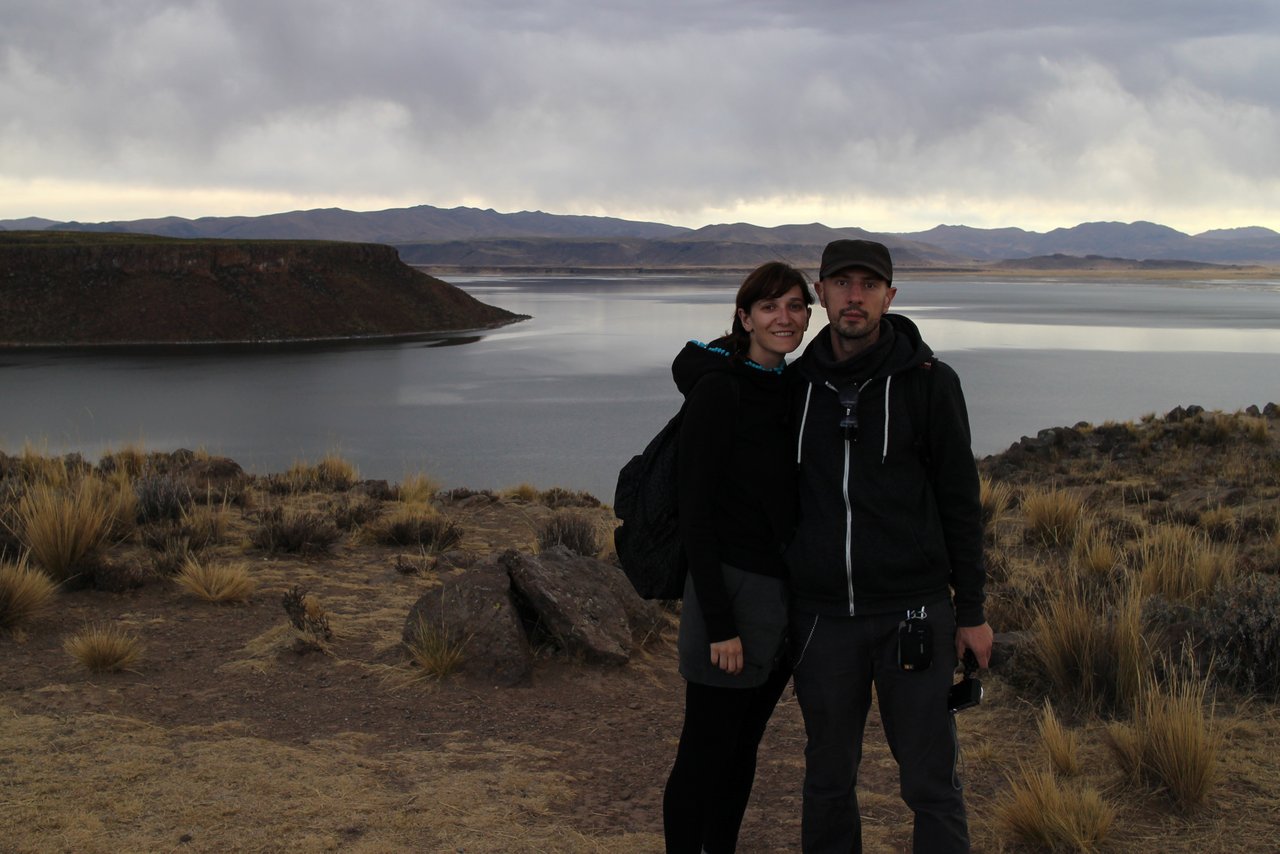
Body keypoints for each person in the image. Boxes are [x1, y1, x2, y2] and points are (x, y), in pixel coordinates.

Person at [785, 239, 994, 853]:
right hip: (823, 618)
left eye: (869, 285)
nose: (855, 296)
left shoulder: (929, 384)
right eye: (842, 284)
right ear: (820, 294)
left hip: (915, 614)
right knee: (826, 778)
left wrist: (973, 612)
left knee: (931, 781)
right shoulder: (792, 387)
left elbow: (961, 502)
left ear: (890, 297)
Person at [662, 261, 814, 853]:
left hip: (782, 598)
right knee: (704, 749)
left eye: (795, 306)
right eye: (770, 307)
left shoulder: (794, 391)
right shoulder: (719, 390)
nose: (784, 318)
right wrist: (721, 626)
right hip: (728, 595)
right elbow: (695, 514)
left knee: (744, 745)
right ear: (745, 317)